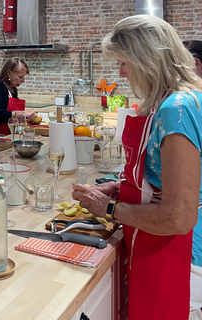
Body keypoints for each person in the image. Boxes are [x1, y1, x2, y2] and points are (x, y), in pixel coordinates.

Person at [72, 15, 202, 319]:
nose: (121, 72)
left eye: (124, 62)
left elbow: (178, 216)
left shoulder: (177, 109)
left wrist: (108, 207)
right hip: (157, 244)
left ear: (147, 59)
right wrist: (122, 187)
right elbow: (166, 177)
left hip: (176, 253)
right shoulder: (178, 99)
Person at [0, 57, 36, 135]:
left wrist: (26, 119)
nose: (23, 81)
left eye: (24, 77)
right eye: (20, 77)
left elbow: (11, 116)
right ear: (9, 73)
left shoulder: (12, 89)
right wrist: (22, 114)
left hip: (12, 135)